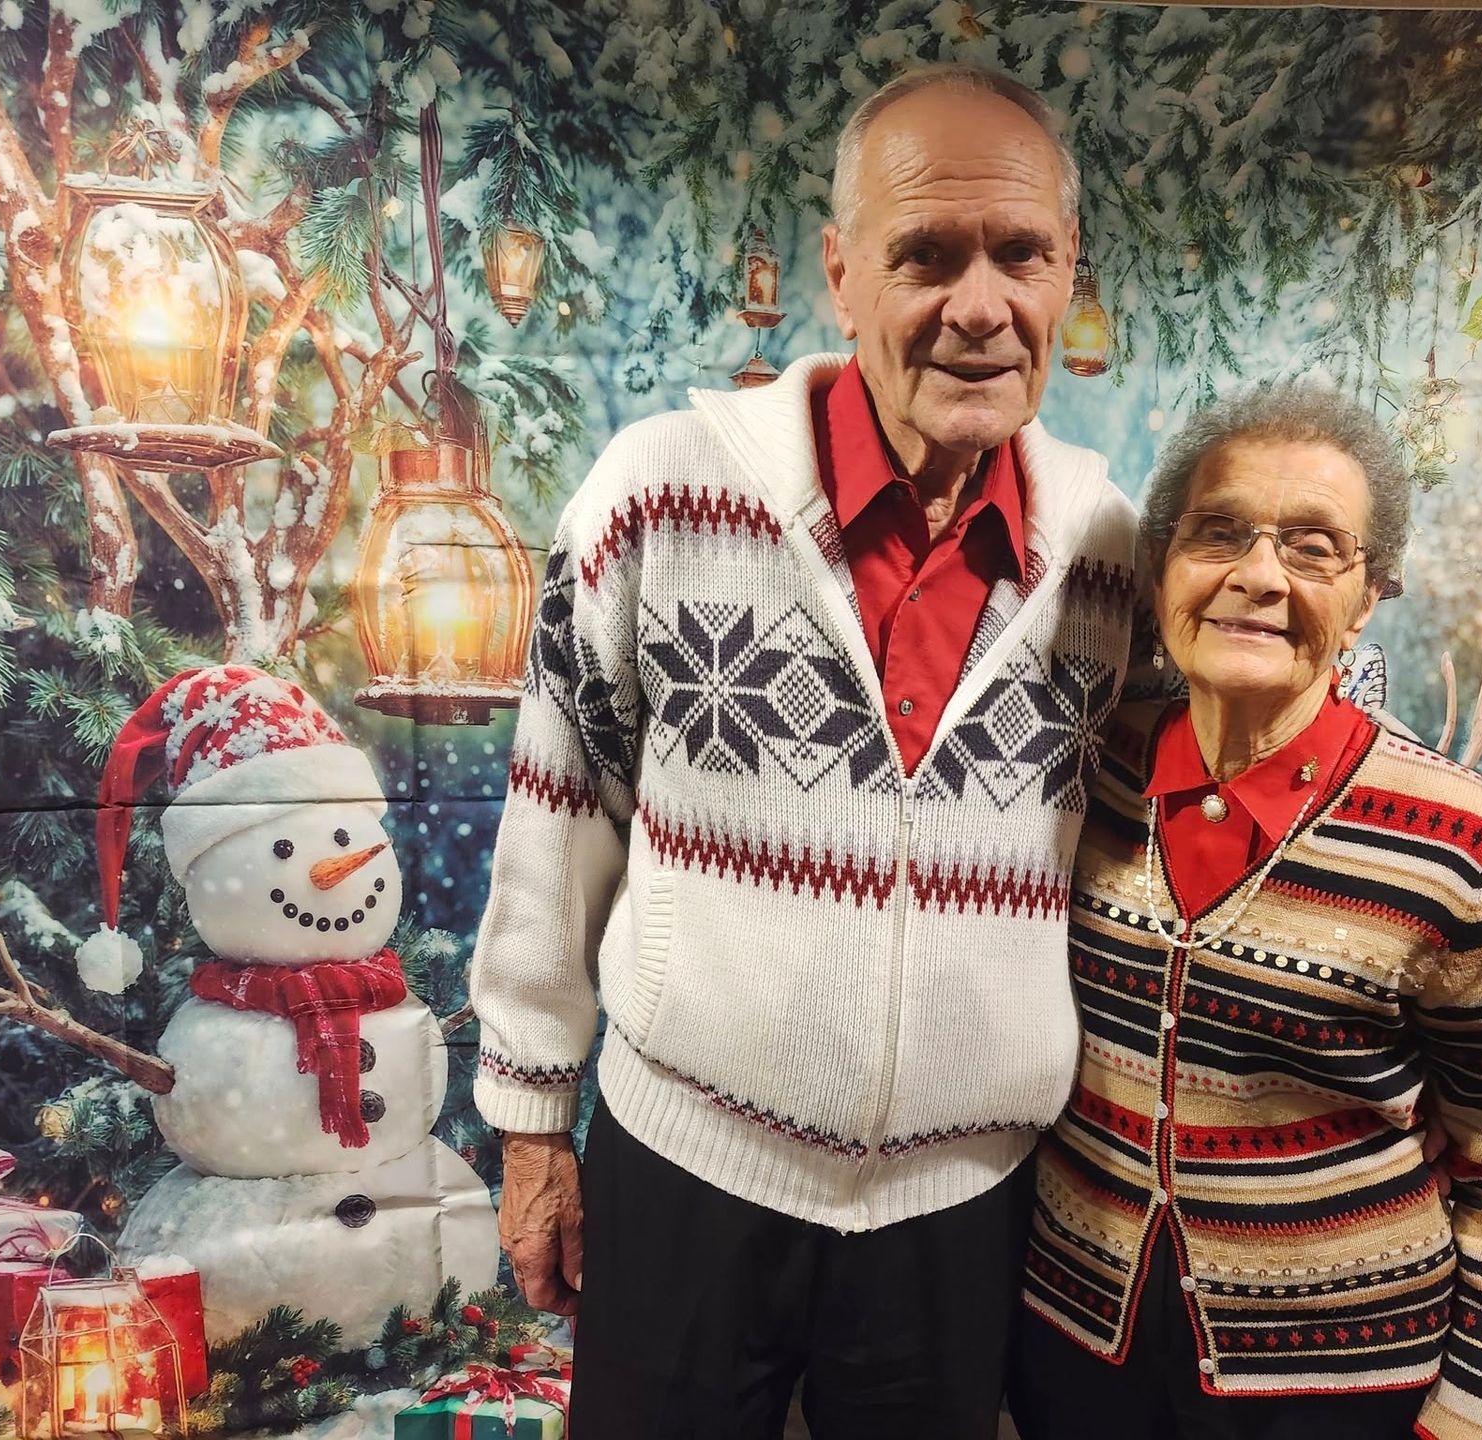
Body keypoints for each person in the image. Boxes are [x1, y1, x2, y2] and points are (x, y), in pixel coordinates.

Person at [467, 64, 1139, 1439]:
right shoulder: (661, 493)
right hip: (687, 1168)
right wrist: (532, 1119)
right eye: (926, 255)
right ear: (841, 274)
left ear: (1068, 269)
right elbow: (557, 811)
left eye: (1020, 255)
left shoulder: (1113, 557)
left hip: (962, 1209)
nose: (980, 306)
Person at [1009, 383, 1482, 1440]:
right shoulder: (1083, 768)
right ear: (1161, 567)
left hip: (1339, 1383)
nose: (1259, 576)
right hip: (1076, 1348)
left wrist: (1477, 1414)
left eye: (1314, 548)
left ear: (1367, 597)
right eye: (1218, 533)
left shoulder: (1455, 839)